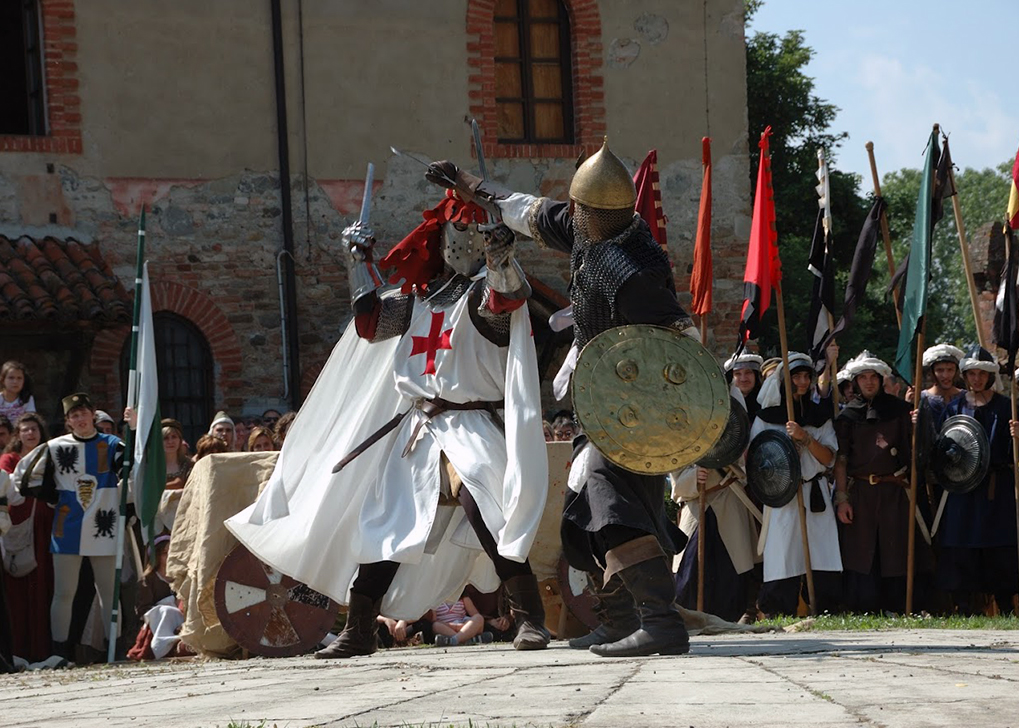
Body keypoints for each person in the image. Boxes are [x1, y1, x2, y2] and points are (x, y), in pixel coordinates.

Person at [228, 186, 550, 659]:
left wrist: (502, 260)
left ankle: (529, 619)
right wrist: (358, 259)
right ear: (439, 237)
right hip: (418, 428)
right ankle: (359, 629)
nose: (465, 240)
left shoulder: (483, 291)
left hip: (471, 424)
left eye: (474, 232)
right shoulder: (419, 299)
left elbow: (505, 307)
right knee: (387, 523)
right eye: (458, 231)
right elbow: (370, 321)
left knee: (486, 507)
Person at [427, 139, 696, 657]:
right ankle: (619, 621)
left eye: (581, 211)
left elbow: (678, 341)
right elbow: (523, 207)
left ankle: (661, 622)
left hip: (635, 413)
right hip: (599, 410)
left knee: (610, 503)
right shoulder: (587, 230)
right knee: (581, 516)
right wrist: (465, 182)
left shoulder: (634, 270)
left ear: (596, 211)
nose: (574, 217)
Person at [18, 393, 128, 661]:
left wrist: (133, 427)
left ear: (93, 414)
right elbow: (25, 478)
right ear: (68, 421)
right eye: (74, 415)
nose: (80, 419)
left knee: (108, 591)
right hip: (67, 527)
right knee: (64, 592)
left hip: (104, 525)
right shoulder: (54, 447)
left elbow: (132, 471)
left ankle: (115, 649)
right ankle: (60, 652)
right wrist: (52, 497)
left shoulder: (113, 444)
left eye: (83, 413)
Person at [834, 352, 932, 613]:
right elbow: (841, 460)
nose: (868, 382)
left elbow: (914, 455)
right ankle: (863, 606)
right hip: (860, 493)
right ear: (855, 382)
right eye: (863, 378)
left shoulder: (900, 411)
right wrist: (841, 498)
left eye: (873, 378)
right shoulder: (847, 417)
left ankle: (898, 606)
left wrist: (915, 428)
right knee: (861, 550)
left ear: (880, 379)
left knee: (895, 550)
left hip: (894, 491)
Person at [751, 353, 841, 616]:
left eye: (806, 377)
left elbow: (829, 459)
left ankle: (823, 608)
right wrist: (782, 455)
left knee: (822, 550)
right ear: (784, 380)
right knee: (783, 552)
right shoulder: (766, 418)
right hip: (782, 494)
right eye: (796, 377)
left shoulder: (819, 417)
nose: (802, 382)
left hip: (815, 491)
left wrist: (805, 439)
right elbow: (757, 462)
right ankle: (779, 609)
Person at [938, 348, 1017, 615]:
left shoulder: (1006, 407)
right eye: (972, 373)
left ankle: (1005, 606)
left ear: (990, 375)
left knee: (1000, 548)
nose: (977, 378)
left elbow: (1013, 456)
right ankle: (963, 607)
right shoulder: (954, 408)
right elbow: (941, 449)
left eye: (982, 373)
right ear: (966, 375)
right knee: (961, 546)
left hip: (996, 490)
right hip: (963, 488)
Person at [671, 390, 760, 622]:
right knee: (689, 571)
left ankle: (730, 618)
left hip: (729, 502)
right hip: (696, 508)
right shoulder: (679, 435)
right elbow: (677, 484)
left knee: (731, 572)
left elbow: (742, 465)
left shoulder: (732, 422)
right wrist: (694, 476)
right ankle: (692, 619)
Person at [0, 413, 54, 663]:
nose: (30, 433)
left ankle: (41, 650)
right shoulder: (9, 460)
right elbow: (11, 494)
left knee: (43, 589)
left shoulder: (52, 456)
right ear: (17, 434)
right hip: (20, 528)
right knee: (18, 590)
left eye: (34, 429)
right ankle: (18, 649)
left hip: (46, 526)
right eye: (25, 429)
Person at [724, 352, 764, 422]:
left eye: (748, 372)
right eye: (737, 374)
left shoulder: (765, 403)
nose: (743, 379)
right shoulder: (725, 405)